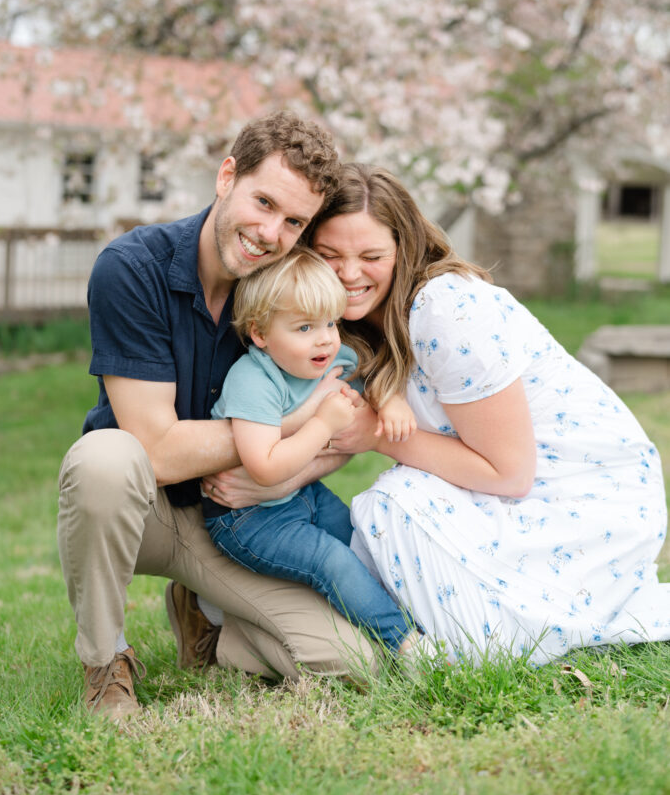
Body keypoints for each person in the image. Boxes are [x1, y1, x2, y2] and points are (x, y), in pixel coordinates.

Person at [57, 113, 378, 723]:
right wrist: (292, 425)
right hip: (138, 507)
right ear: (226, 176)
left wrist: (281, 474)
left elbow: (347, 425)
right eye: (263, 202)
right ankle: (106, 660)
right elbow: (155, 449)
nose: (268, 233)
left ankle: (211, 622)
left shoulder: (292, 294)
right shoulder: (132, 269)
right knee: (105, 459)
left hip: (237, 518)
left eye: (293, 222)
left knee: (353, 662)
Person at [307, 162, 670, 665]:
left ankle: (476, 641)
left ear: (404, 249)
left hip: (584, 495)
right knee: (384, 531)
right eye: (329, 256)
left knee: (396, 503)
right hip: (513, 490)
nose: (349, 274)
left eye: (371, 255)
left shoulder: (445, 309)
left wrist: (376, 435)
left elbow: (510, 472)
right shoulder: (344, 325)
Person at [201, 246, 428, 664]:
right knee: (331, 562)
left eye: (330, 322)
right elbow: (265, 468)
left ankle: (423, 621)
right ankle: (407, 646)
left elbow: (373, 373)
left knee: (361, 540)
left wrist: (390, 402)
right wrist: (323, 423)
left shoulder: (333, 357)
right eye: (304, 327)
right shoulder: (253, 380)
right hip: (247, 519)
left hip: (304, 494)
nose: (324, 337)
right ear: (261, 334)